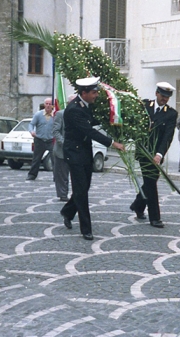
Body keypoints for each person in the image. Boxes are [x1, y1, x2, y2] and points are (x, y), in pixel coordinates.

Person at [60, 78, 124, 240]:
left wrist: (114, 119)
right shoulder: (74, 109)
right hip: (74, 154)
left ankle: (67, 211)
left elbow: (94, 121)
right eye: (94, 92)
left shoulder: (85, 106)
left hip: (84, 153)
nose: (96, 95)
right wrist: (112, 143)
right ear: (84, 93)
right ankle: (86, 229)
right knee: (81, 191)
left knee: (84, 187)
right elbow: (90, 131)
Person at [129, 82, 177, 227]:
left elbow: (167, 136)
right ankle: (155, 217)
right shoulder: (144, 106)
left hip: (156, 155)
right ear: (156, 93)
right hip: (144, 152)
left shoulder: (171, 113)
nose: (164, 99)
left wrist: (159, 154)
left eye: (167, 97)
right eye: (162, 96)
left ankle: (138, 205)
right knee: (150, 183)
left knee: (150, 183)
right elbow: (135, 124)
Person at [52, 94, 76, 202]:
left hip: (75, 150)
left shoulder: (78, 115)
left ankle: (76, 194)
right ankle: (62, 194)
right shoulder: (60, 114)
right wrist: (64, 143)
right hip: (61, 151)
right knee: (62, 175)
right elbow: (56, 131)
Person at [26, 98, 54, 181]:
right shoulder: (38, 114)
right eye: (46, 104)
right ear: (44, 104)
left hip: (51, 140)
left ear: (52, 105)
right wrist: (32, 131)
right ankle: (32, 175)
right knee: (36, 159)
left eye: (50, 104)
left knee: (55, 159)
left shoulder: (55, 115)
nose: (48, 105)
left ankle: (57, 176)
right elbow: (31, 124)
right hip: (39, 139)